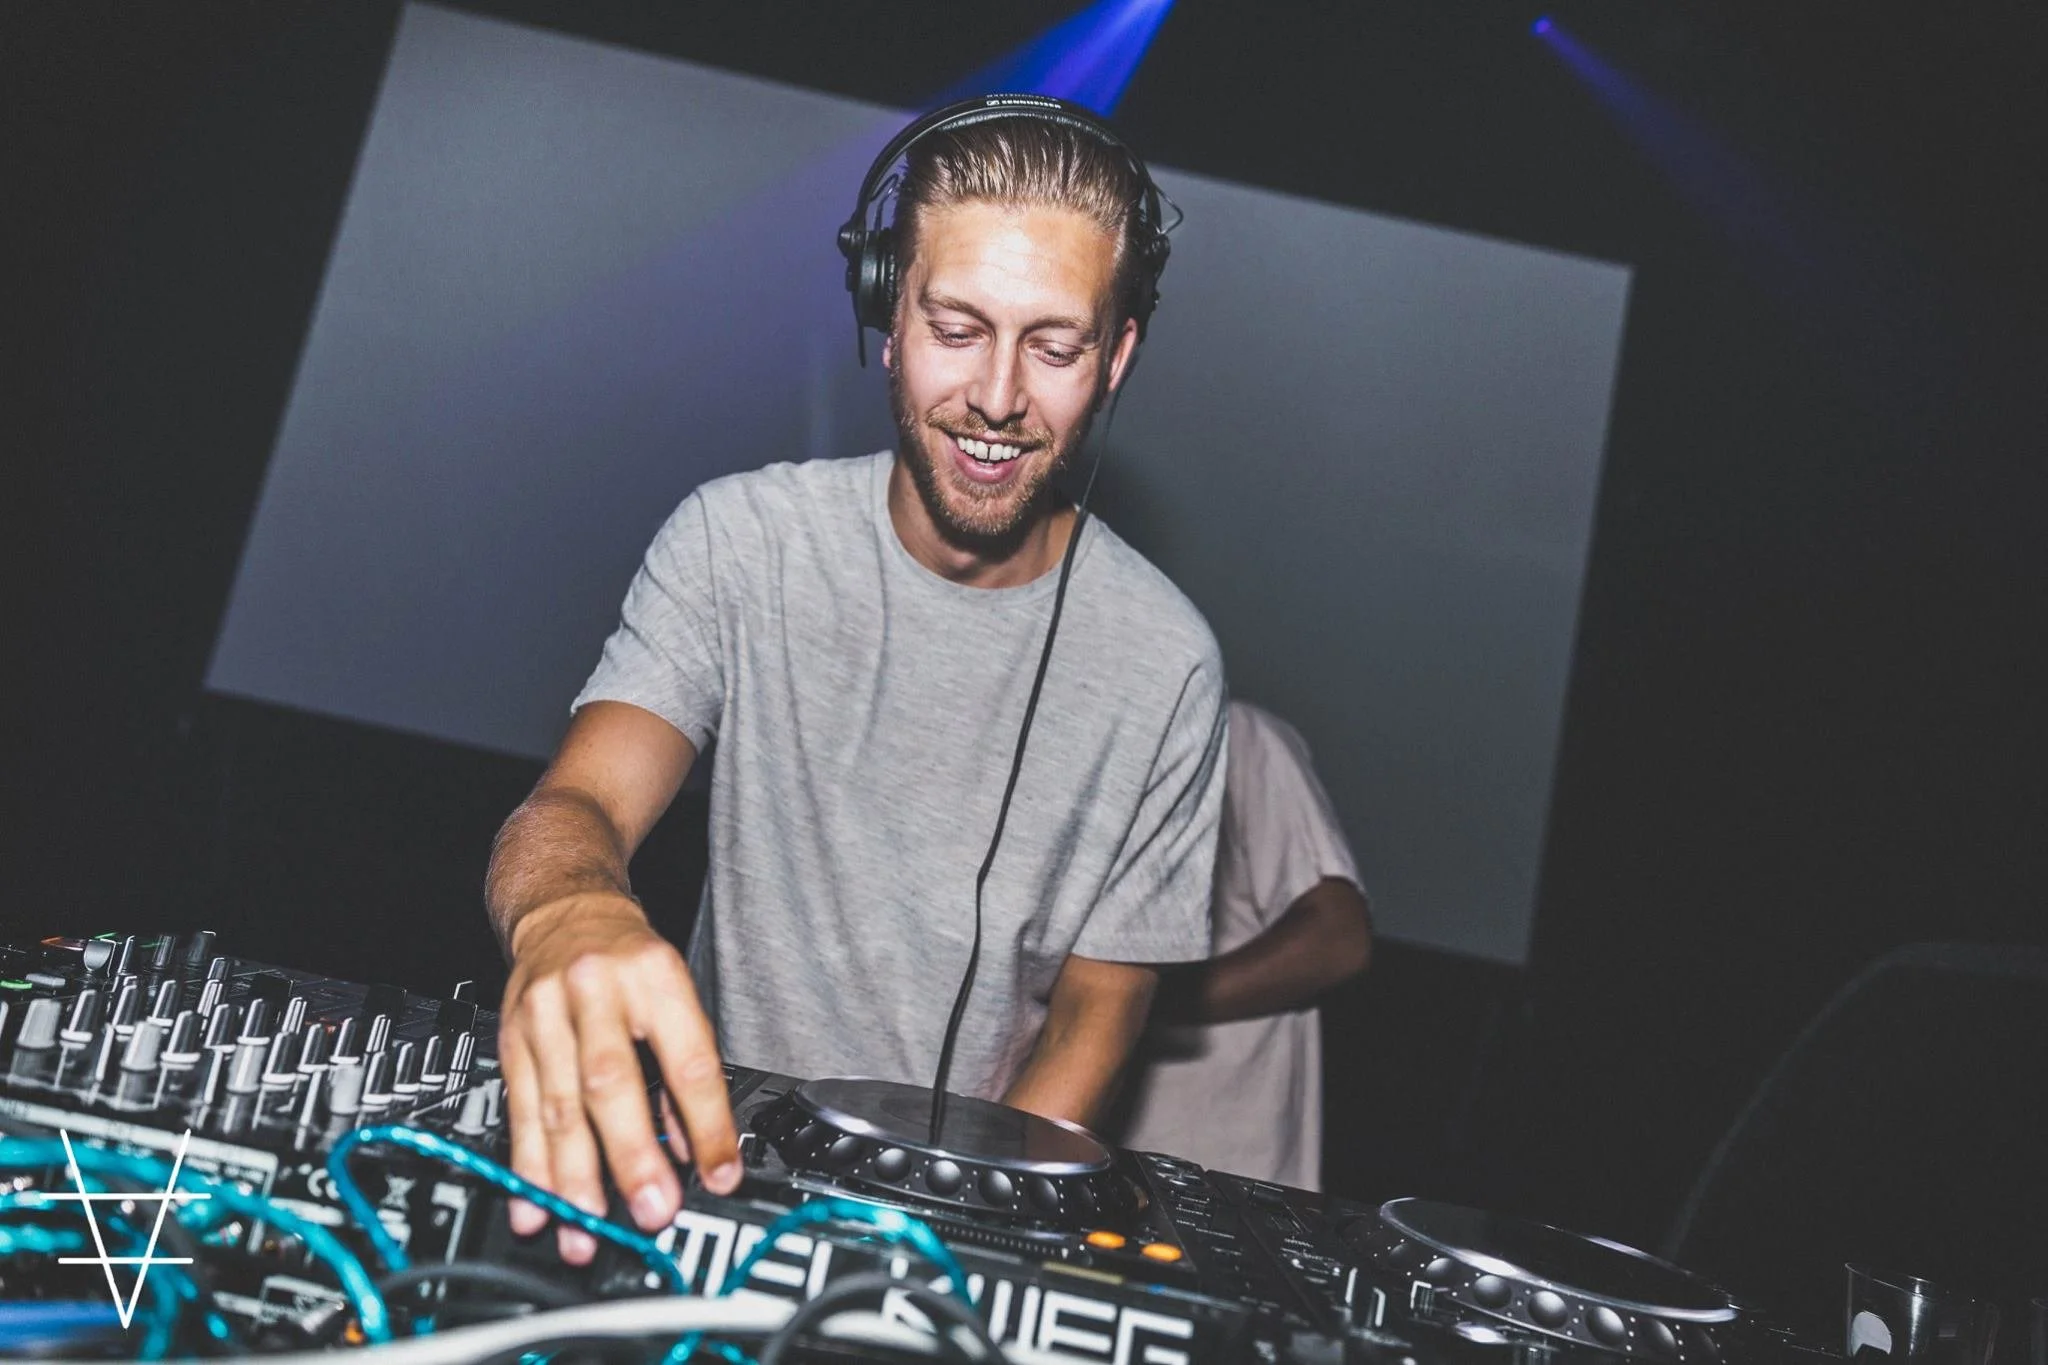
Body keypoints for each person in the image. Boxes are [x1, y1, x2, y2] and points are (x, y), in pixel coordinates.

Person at [484, 98, 1228, 1263]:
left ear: (1116, 357)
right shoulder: (739, 541)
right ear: (888, 315)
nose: (995, 395)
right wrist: (568, 911)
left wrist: (967, 1244)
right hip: (699, 1176)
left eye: (1054, 345)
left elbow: (1100, 1006)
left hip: (962, 1220)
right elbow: (576, 808)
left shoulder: (1168, 661)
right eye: (955, 325)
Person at [1112, 700, 1372, 1190]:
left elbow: (1337, 938)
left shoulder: (1240, 736)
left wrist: (1126, 1003)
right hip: (1105, 1171)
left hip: (1226, 1181)